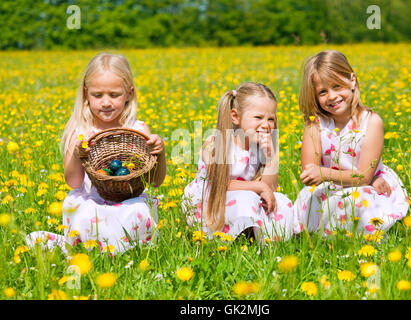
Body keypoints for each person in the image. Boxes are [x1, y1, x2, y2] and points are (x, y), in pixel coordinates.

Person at [26, 53, 166, 254]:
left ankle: (124, 252)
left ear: (129, 93)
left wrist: (160, 154)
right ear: (86, 94)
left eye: (114, 94)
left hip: (128, 201)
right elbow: (73, 182)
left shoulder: (138, 130)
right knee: (87, 214)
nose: (106, 102)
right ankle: (100, 250)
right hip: (92, 202)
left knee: (138, 211)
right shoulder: (80, 132)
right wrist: (76, 153)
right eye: (98, 95)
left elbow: (155, 182)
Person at [293, 50, 409, 238]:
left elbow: (363, 176)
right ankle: (323, 237)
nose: (331, 96)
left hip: (367, 184)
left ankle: (361, 238)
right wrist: (322, 175)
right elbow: (309, 171)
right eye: (323, 92)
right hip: (329, 186)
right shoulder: (315, 124)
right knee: (313, 199)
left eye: (337, 86)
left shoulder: (371, 122)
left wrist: (326, 174)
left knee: (360, 200)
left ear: (352, 80)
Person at [182, 82, 301, 242]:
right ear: (235, 116)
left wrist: (271, 158)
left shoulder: (260, 147)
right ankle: (238, 240)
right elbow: (218, 184)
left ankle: (269, 245)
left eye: (271, 119)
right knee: (245, 199)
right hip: (209, 204)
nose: (266, 125)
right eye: (258, 117)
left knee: (281, 201)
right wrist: (258, 186)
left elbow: (269, 189)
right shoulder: (216, 144)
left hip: (243, 199)